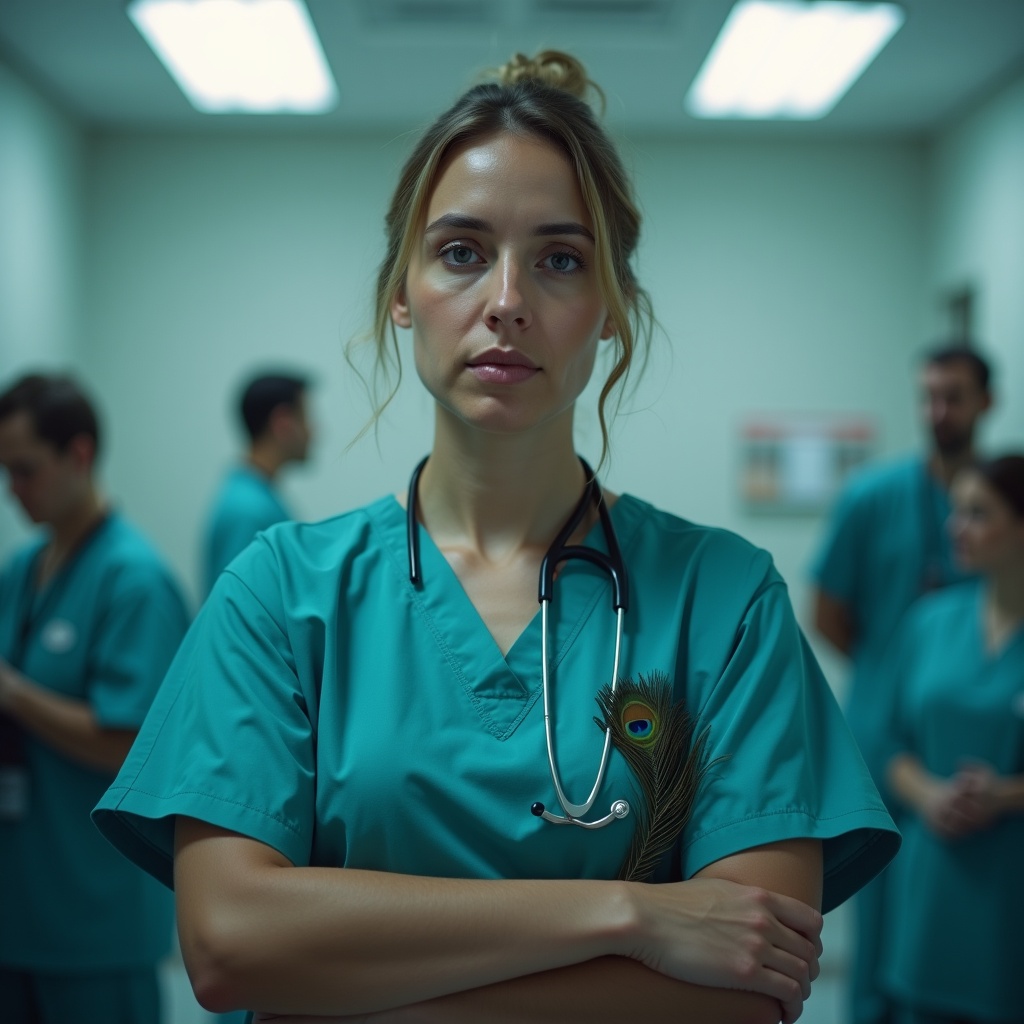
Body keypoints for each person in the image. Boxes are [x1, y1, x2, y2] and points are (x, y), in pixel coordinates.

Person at [94, 51, 898, 1023]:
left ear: (610, 308)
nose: (507, 299)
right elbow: (226, 943)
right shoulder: (279, 596)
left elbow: (748, 984)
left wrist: (343, 983)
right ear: (403, 289)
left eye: (559, 259)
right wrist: (629, 915)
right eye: (462, 251)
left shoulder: (724, 602)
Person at [809, 343, 993, 1024]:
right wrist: (905, 673)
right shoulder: (872, 498)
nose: (938, 411)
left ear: (986, 403)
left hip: (975, 738)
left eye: (954, 396)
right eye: (929, 396)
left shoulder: (1006, 500)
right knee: (884, 915)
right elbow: (826, 611)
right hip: (885, 734)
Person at [0, 373, 191, 1024]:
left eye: (25, 470)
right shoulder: (22, 570)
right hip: (19, 915)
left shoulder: (134, 581)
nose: (13, 491)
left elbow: (132, 744)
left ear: (78, 455)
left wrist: (16, 695)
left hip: (95, 926)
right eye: (5, 472)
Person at [880, 454, 1024, 1024]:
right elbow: (890, 745)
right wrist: (930, 796)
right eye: (955, 510)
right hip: (933, 880)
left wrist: (1005, 796)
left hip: (1009, 888)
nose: (953, 527)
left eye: (976, 513)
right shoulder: (930, 621)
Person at [202, 371, 313, 594]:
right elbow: (237, 606)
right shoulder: (248, 511)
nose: (314, 432)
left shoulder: (254, 497)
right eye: (307, 419)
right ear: (283, 423)